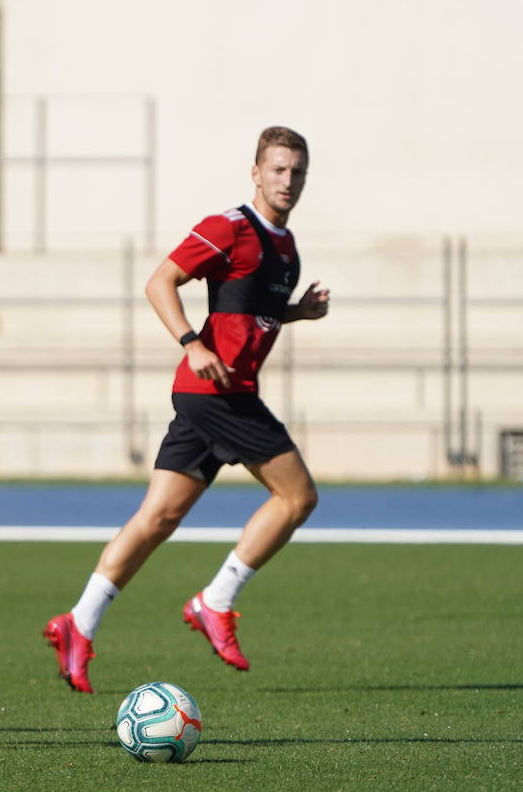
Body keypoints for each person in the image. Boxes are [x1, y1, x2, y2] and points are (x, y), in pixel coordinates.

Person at [45, 126, 330, 693]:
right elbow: (161, 282)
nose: (288, 180)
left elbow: (251, 310)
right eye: (277, 169)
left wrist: (296, 314)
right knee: (298, 496)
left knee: (157, 519)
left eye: (297, 171)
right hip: (218, 394)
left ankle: (78, 623)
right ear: (255, 172)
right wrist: (190, 344)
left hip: (219, 395)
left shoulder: (285, 245)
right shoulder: (230, 226)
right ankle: (215, 600)